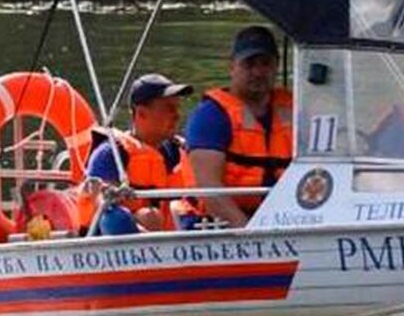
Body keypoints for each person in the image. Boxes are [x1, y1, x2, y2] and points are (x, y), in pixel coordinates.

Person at [184, 25, 293, 228]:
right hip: (217, 226)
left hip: (285, 220)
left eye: (266, 64)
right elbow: (209, 188)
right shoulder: (211, 115)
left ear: (277, 66)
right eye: (249, 64)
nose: (258, 72)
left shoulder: (295, 109)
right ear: (232, 66)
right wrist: (250, 235)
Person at [83, 73, 194, 231]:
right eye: (169, 108)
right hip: (114, 246)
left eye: (177, 108)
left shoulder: (177, 152)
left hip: (175, 243)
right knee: (144, 217)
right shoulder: (111, 153)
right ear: (141, 113)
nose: (177, 115)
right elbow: (102, 201)